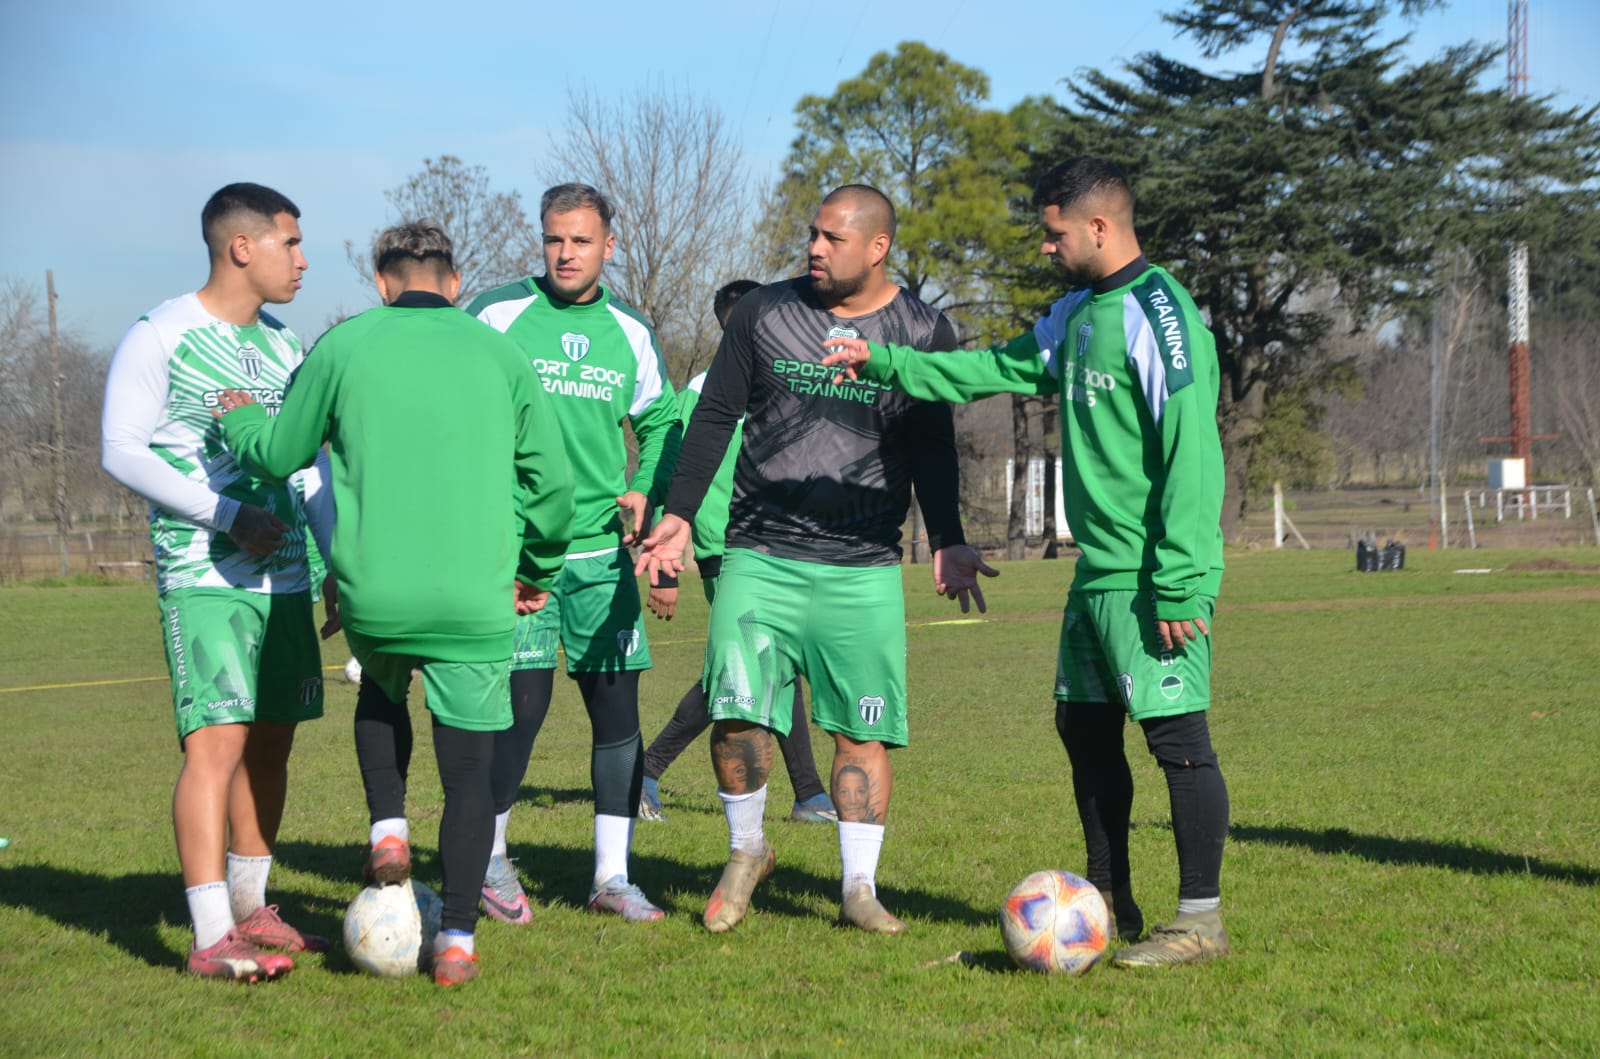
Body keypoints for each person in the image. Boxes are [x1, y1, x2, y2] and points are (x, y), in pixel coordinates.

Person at [822, 156, 1231, 968]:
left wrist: (1183, 580)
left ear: (1099, 227)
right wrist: (888, 361)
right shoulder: (1076, 313)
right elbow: (994, 369)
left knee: (1177, 736)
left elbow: (1193, 455)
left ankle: (1200, 921)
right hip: (1095, 574)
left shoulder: (1161, 315)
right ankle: (1109, 899)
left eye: (1055, 233)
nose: (1045, 248)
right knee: (1084, 729)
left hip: (1151, 576)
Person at [214, 220, 575, 986]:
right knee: (468, 774)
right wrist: (536, 566)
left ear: (381, 282)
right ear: (455, 282)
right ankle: (457, 941)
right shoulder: (500, 353)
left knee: (380, 690)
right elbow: (553, 487)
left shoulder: (343, 346)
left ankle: (387, 828)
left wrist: (239, 416)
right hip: (475, 595)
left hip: (374, 593)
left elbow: (279, 454)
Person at [635, 185, 998, 934]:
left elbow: (933, 443)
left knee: (862, 731)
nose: (815, 248)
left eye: (833, 237)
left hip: (863, 563)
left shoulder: (923, 331)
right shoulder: (764, 312)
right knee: (736, 712)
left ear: (878, 247)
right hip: (761, 551)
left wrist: (948, 535)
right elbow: (714, 416)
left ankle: (858, 888)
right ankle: (747, 850)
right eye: (812, 234)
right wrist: (678, 515)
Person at [101, 182, 331, 981]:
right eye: (290, 243)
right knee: (217, 744)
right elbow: (121, 450)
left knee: (273, 740)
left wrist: (335, 560)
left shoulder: (287, 347)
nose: (302, 260)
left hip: (287, 579)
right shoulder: (160, 335)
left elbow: (309, 467)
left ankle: (251, 906)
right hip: (206, 574)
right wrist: (225, 514)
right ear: (242, 246)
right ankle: (209, 936)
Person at [467, 183, 679, 924]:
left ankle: (611, 878)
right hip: (519, 557)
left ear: (608, 246)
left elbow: (663, 423)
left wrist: (646, 489)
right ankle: (489, 861)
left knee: (618, 716)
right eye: (554, 239)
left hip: (602, 558)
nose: (566, 253)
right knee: (517, 713)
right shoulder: (495, 315)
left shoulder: (632, 330)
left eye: (581, 240)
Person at [637, 279, 836, 827]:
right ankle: (646, 771)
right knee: (746, 669)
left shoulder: (783, 379)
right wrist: (665, 571)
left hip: (781, 547)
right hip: (726, 550)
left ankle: (809, 795)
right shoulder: (702, 392)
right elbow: (671, 471)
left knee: (772, 666)